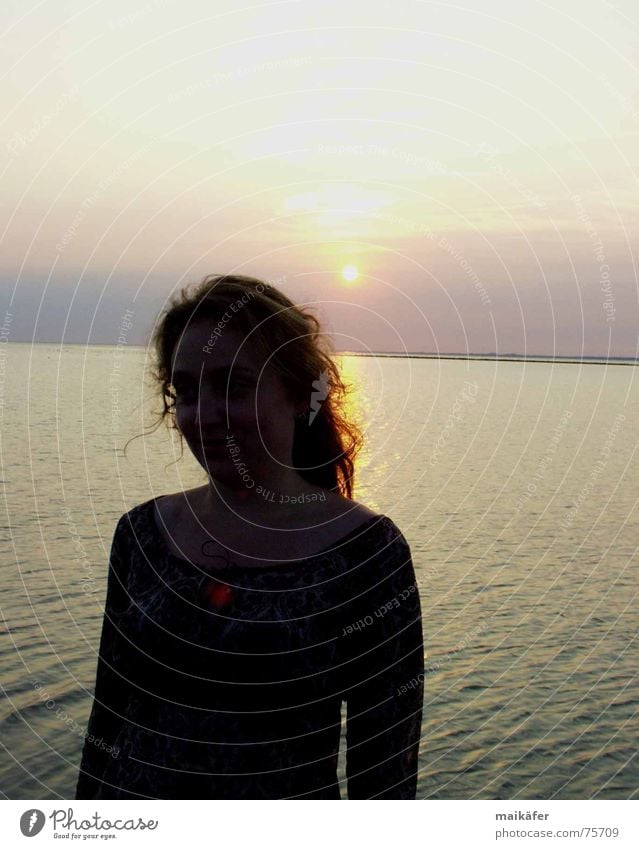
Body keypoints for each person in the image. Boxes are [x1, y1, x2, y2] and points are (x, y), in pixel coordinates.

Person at [75, 273, 424, 799]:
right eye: (186, 390)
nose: (204, 415)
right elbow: (107, 722)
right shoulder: (142, 536)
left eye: (232, 386)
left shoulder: (367, 555)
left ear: (298, 394)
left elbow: (386, 773)